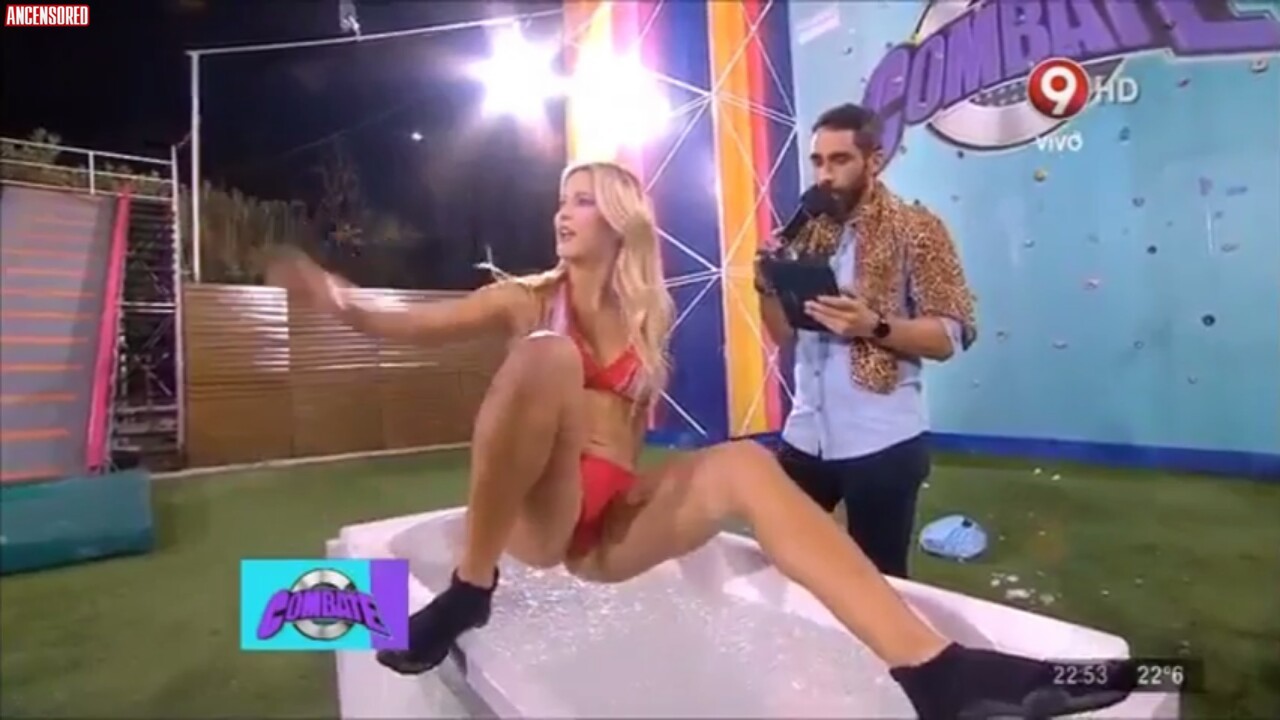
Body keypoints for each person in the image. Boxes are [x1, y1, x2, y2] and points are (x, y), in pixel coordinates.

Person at [271, 161, 1134, 720]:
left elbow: (632, 448)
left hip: (607, 532)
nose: (563, 212)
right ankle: (468, 588)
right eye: (561, 200)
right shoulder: (524, 299)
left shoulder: (649, 315)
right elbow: (407, 326)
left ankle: (933, 671)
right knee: (545, 357)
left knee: (740, 465)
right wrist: (339, 301)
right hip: (535, 523)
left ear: (619, 220)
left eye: (582, 199)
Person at [755, 103, 972, 579]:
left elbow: (947, 338)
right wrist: (766, 284)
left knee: (880, 582)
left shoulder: (919, 229)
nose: (825, 175)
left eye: (840, 160)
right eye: (818, 161)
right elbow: (783, 336)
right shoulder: (804, 234)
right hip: (804, 435)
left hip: (883, 443)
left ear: (873, 160)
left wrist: (874, 326)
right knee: (778, 568)